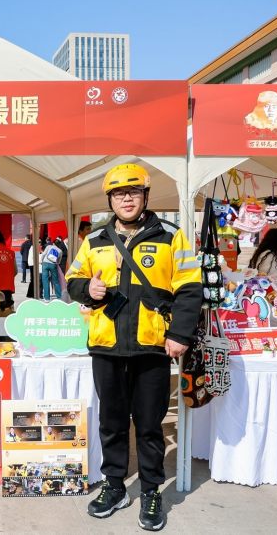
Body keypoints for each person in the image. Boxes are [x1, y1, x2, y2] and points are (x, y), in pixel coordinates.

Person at [66, 164, 203, 531]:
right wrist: (87, 290)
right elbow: (74, 280)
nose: (126, 198)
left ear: (145, 195)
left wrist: (180, 334)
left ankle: (151, 491)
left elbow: (190, 288)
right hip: (106, 346)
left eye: (133, 192)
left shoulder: (171, 236)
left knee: (149, 424)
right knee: (111, 423)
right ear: (110, 200)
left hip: (152, 347)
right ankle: (114, 486)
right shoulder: (95, 239)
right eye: (118, 193)